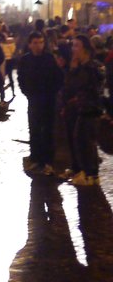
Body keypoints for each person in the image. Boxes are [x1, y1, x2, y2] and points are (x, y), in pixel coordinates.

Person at [18, 32, 65, 175]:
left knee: (48, 131)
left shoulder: (50, 59)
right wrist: (28, 93)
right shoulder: (25, 60)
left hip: (49, 100)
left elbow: (58, 78)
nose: (38, 45)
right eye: (35, 42)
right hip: (33, 100)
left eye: (40, 42)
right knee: (34, 129)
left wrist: (53, 93)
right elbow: (21, 79)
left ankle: (48, 161)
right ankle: (36, 159)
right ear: (30, 44)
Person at [62, 34, 104, 187]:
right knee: (81, 140)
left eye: (76, 46)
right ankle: (86, 172)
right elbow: (70, 87)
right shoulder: (83, 67)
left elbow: (82, 87)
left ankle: (91, 174)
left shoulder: (91, 68)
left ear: (85, 49)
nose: (73, 49)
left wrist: (73, 71)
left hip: (90, 109)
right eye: (73, 45)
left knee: (86, 142)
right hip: (82, 108)